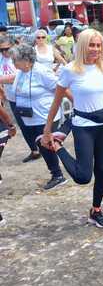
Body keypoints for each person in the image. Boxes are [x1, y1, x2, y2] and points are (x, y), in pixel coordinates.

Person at [42, 29, 103, 228]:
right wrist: (48, 131)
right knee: (83, 176)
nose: (95, 49)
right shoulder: (71, 69)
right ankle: (57, 147)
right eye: (91, 45)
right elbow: (57, 101)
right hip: (83, 127)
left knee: (101, 170)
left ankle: (96, 210)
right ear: (83, 45)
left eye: (99, 45)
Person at [11, 44, 67, 190]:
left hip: (44, 116)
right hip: (29, 118)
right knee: (42, 147)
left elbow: (60, 89)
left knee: (46, 146)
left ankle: (58, 175)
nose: (13, 62)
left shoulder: (41, 72)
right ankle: (55, 173)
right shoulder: (21, 72)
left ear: (26, 60)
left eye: (15, 59)